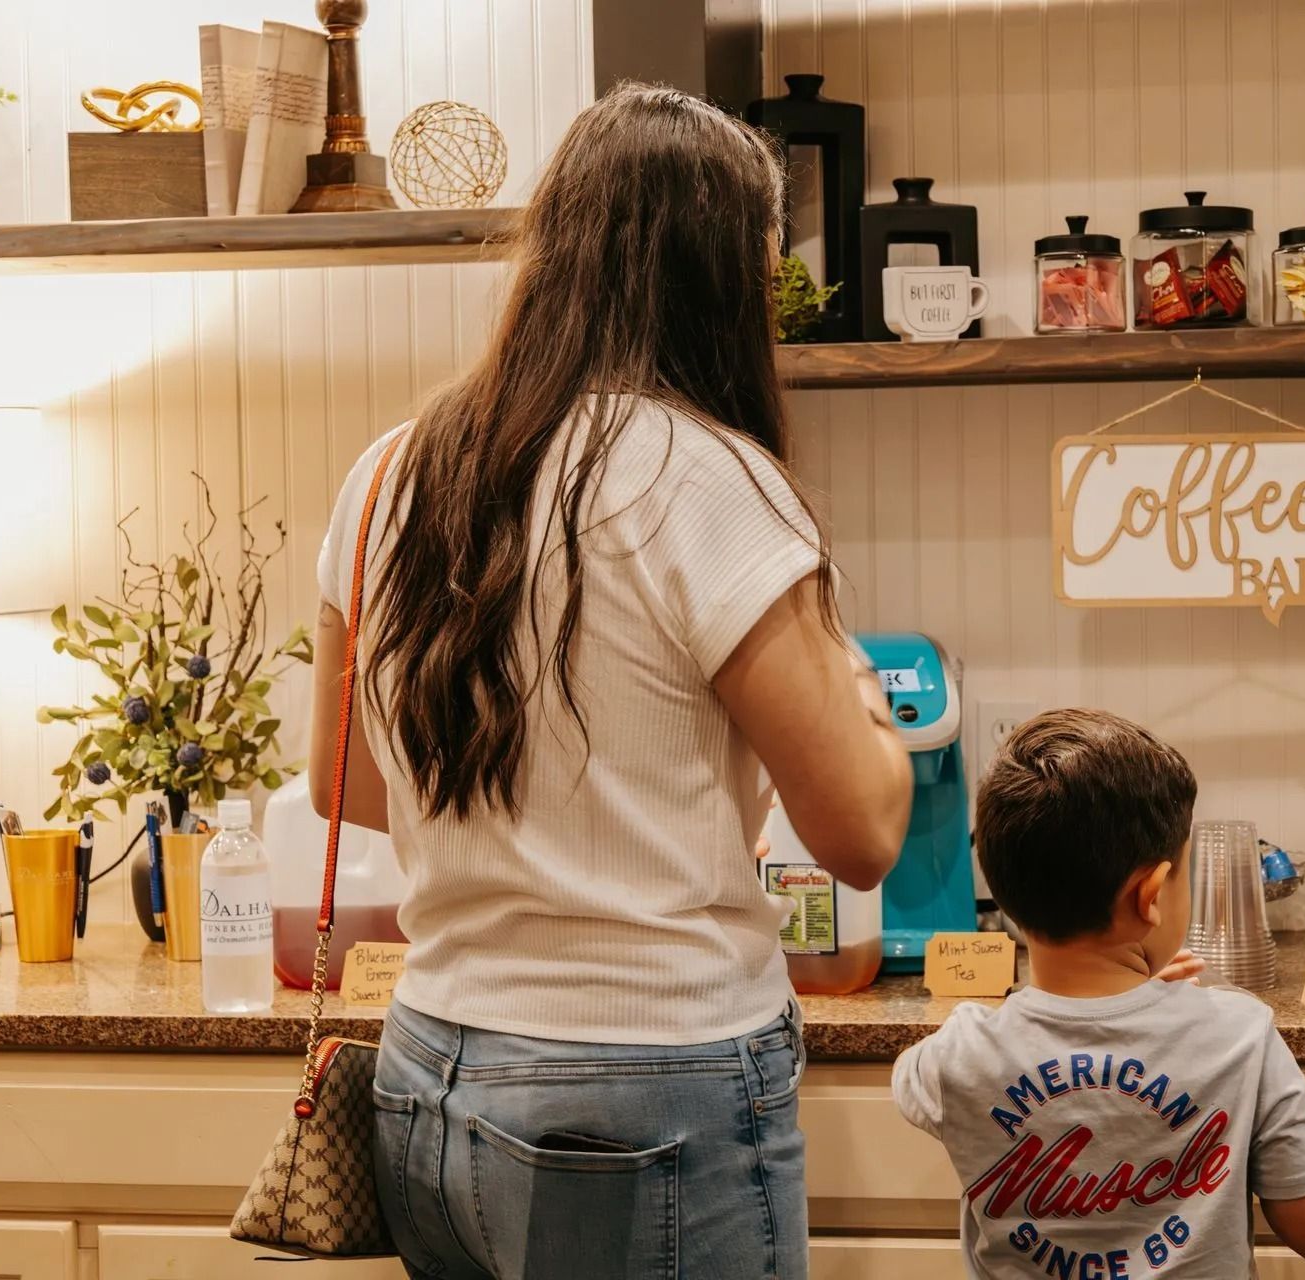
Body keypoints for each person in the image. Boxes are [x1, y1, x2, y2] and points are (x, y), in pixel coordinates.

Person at [307, 83, 912, 1280]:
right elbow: (862, 830)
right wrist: (857, 683)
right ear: (728, 277)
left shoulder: (389, 473)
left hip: (430, 1076)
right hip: (644, 1090)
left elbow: (350, 785)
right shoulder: (707, 480)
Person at [892, 710, 1305, 1276]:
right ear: (1151, 895)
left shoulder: (957, 1052)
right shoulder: (1238, 1035)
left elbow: (907, 1079)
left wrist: (1120, 997)